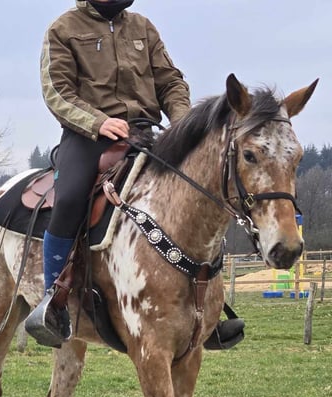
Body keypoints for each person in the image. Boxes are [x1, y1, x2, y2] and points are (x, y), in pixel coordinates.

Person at [26, 0, 243, 350]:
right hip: (88, 137)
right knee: (68, 199)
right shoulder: (63, 29)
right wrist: (98, 122)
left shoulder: (143, 27)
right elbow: (58, 92)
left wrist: (184, 125)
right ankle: (55, 300)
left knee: (195, 192)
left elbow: (171, 81)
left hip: (145, 132)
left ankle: (207, 313)